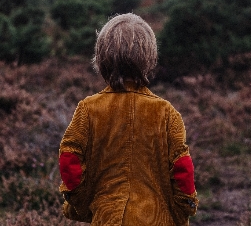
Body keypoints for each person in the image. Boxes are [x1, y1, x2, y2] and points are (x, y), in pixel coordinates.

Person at [59, 13, 199, 225]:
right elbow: (182, 170)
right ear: (150, 57)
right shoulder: (166, 112)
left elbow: (70, 160)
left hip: (107, 218)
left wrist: (82, 204)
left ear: (102, 57)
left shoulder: (88, 109)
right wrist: (182, 211)